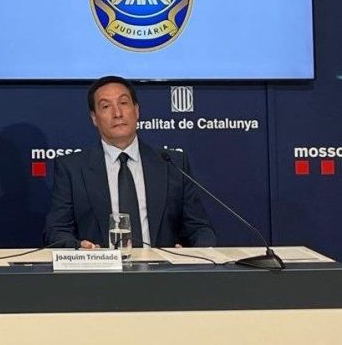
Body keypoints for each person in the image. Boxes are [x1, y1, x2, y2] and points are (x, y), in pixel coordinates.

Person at [43, 76, 216, 249]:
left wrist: (197, 254)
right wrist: (79, 247)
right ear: (94, 118)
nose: (117, 113)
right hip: (98, 272)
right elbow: (55, 231)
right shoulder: (72, 169)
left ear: (137, 110)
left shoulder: (172, 164)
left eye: (123, 103)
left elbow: (200, 228)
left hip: (162, 272)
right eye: (106, 106)